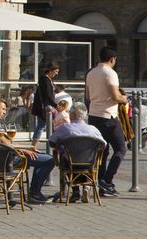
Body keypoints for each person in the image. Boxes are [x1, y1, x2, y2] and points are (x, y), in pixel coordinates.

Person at [0, 98, 55, 204]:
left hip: (0, 159)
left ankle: (35, 192)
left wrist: (28, 148)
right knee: (49, 160)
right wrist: (25, 151)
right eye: (3, 109)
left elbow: (7, 143)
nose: (5, 112)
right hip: (6, 160)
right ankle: (35, 193)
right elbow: (7, 145)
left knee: (40, 157)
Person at [85, 47, 127, 197]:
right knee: (121, 149)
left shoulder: (91, 73)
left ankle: (101, 183)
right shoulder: (110, 73)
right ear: (112, 59)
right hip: (108, 116)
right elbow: (115, 96)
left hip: (93, 115)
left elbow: (88, 96)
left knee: (102, 151)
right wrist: (125, 99)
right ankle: (107, 181)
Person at [48, 102, 106, 202]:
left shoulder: (65, 128)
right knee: (86, 160)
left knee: (68, 158)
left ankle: (75, 192)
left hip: (70, 164)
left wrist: (60, 146)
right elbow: (103, 145)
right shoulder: (93, 129)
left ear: (73, 114)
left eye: (70, 112)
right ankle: (87, 187)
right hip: (89, 163)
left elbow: (52, 142)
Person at [31, 61, 60, 148]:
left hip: (45, 106)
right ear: (50, 71)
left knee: (43, 125)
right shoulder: (45, 79)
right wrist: (55, 105)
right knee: (42, 125)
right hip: (44, 106)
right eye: (56, 71)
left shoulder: (47, 79)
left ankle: (35, 145)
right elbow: (47, 94)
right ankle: (34, 146)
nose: (56, 74)